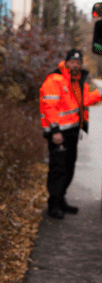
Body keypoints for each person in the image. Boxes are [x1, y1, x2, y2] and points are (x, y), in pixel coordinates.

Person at [39, 48, 101, 219]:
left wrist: (99, 94)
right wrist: (55, 130)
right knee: (58, 169)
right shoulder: (55, 80)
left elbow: (85, 99)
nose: (75, 65)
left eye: (78, 63)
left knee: (69, 168)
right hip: (58, 134)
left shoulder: (77, 80)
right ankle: (54, 204)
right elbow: (49, 107)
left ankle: (61, 200)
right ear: (65, 62)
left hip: (73, 132)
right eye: (72, 62)